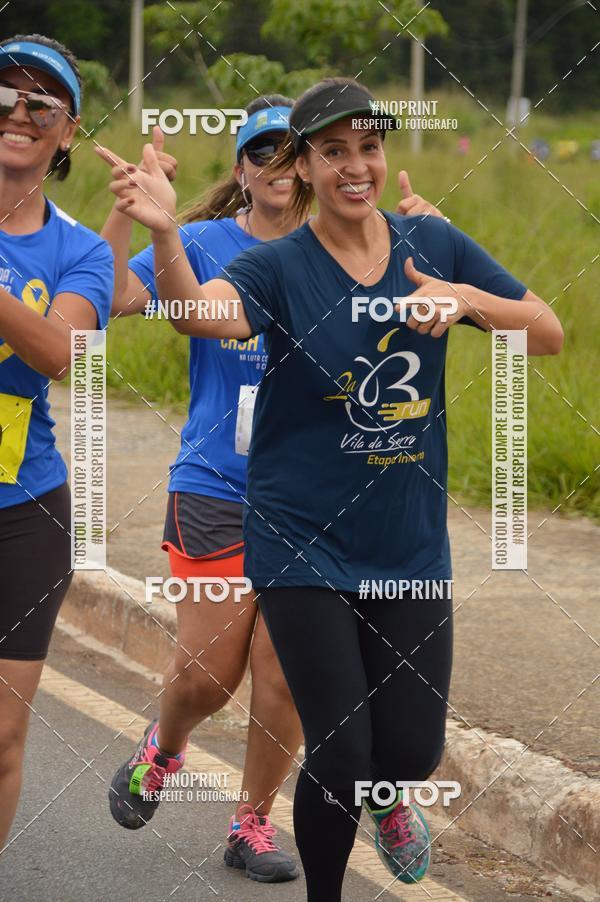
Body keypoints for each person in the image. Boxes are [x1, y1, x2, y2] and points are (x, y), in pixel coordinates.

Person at [99, 92, 445, 886]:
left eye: (292, 151)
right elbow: (122, 300)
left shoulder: (355, 245)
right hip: (220, 484)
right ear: (242, 172)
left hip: (324, 499)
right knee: (209, 674)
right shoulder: (207, 243)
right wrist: (140, 216)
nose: (277, 167)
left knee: (286, 673)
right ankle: (167, 745)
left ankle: (251, 820)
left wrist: (429, 242)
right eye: (261, 153)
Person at [0, 35, 113, 850]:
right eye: (4, 95)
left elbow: (58, 353)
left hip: (25, 512)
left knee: (3, 741)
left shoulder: (84, 251)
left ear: (66, 131)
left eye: (42, 104)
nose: (20, 113)